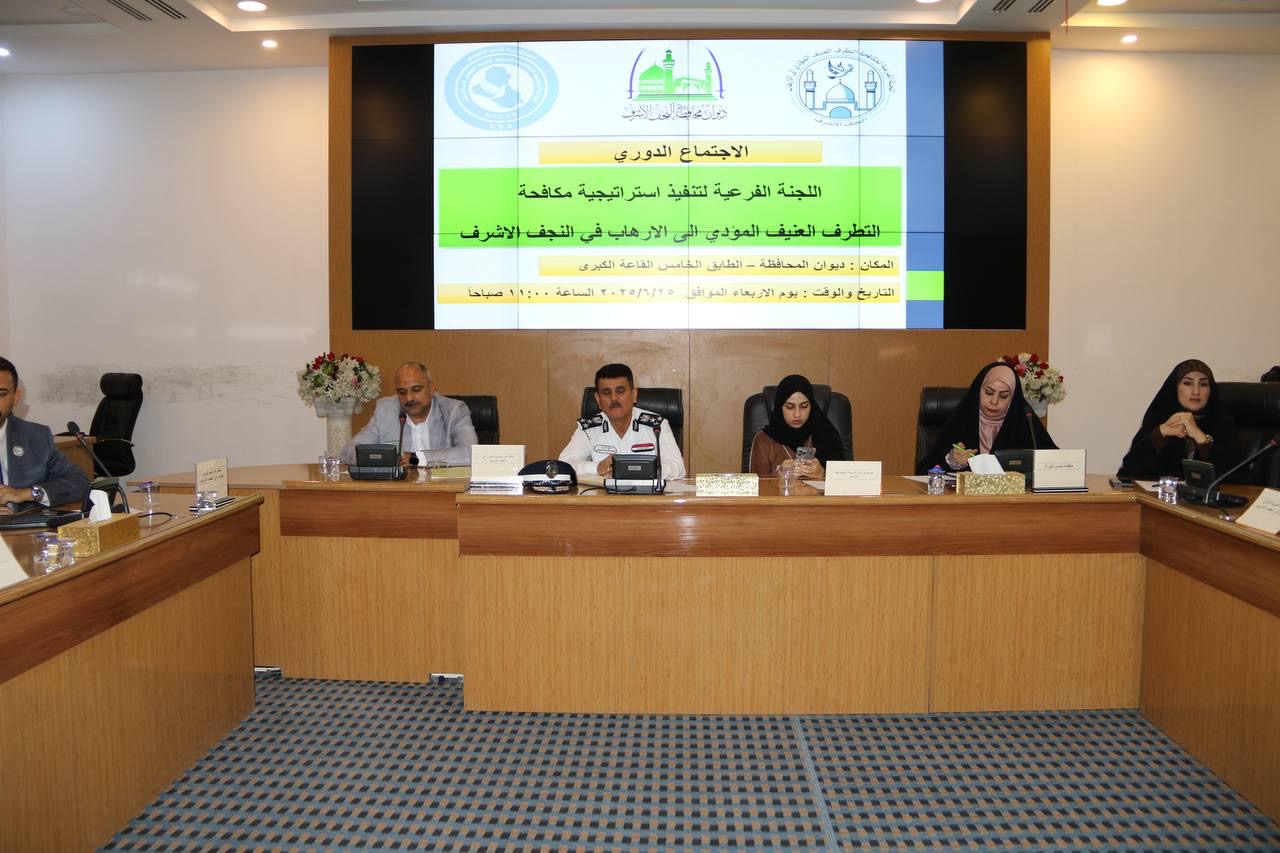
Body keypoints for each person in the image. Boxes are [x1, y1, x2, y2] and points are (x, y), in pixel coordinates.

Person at [917, 361, 1058, 474]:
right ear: (979, 390)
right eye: (989, 392)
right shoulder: (961, 420)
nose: (994, 401)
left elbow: (1056, 465)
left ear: (1012, 399)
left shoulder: (1025, 421)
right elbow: (925, 472)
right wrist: (952, 461)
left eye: (1003, 396)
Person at [1117, 359, 1243, 481]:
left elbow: (1240, 477)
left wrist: (1201, 439)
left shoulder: (1222, 423)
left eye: (1203, 384)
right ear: (1175, 387)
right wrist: (1160, 433)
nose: (1196, 391)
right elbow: (1127, 472)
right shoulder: (1158, 419)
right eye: (1187, 383)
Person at [559, 363, 686, 480]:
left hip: (646, 496)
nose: (614, 398)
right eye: (606, 393)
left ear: (634, 394)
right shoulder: (589, 428)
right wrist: (597, 467)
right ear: (598, 399)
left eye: (620, 391)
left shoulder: (656, 425)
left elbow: (678, 468)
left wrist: (640, 470)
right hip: (603, 496)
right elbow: (564, 465)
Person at [339, 362, 478, 468]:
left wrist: (415, 458)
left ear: (431, 388)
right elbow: (348, 451)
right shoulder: (385, 410)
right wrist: (385, 458)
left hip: (442, 490)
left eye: (416, 389)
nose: (409, 398)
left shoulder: (454, 410)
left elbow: (470, 453)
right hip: (398, 492)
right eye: (402, 392)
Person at [0, 357, 92, 512]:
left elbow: (79, 483)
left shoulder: (36, 436)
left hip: (25, 525)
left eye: (1, 394)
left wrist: (30, 493)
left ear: (15, 397)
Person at [748, 374, 844, 479]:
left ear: (812, 406)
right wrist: (780, 474)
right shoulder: (763, 439)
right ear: (780, 407)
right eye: (789, 407)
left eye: (804, 406)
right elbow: (754, 485)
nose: (797, 414)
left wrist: (823, 474)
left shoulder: (827, 434)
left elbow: (844, 481)